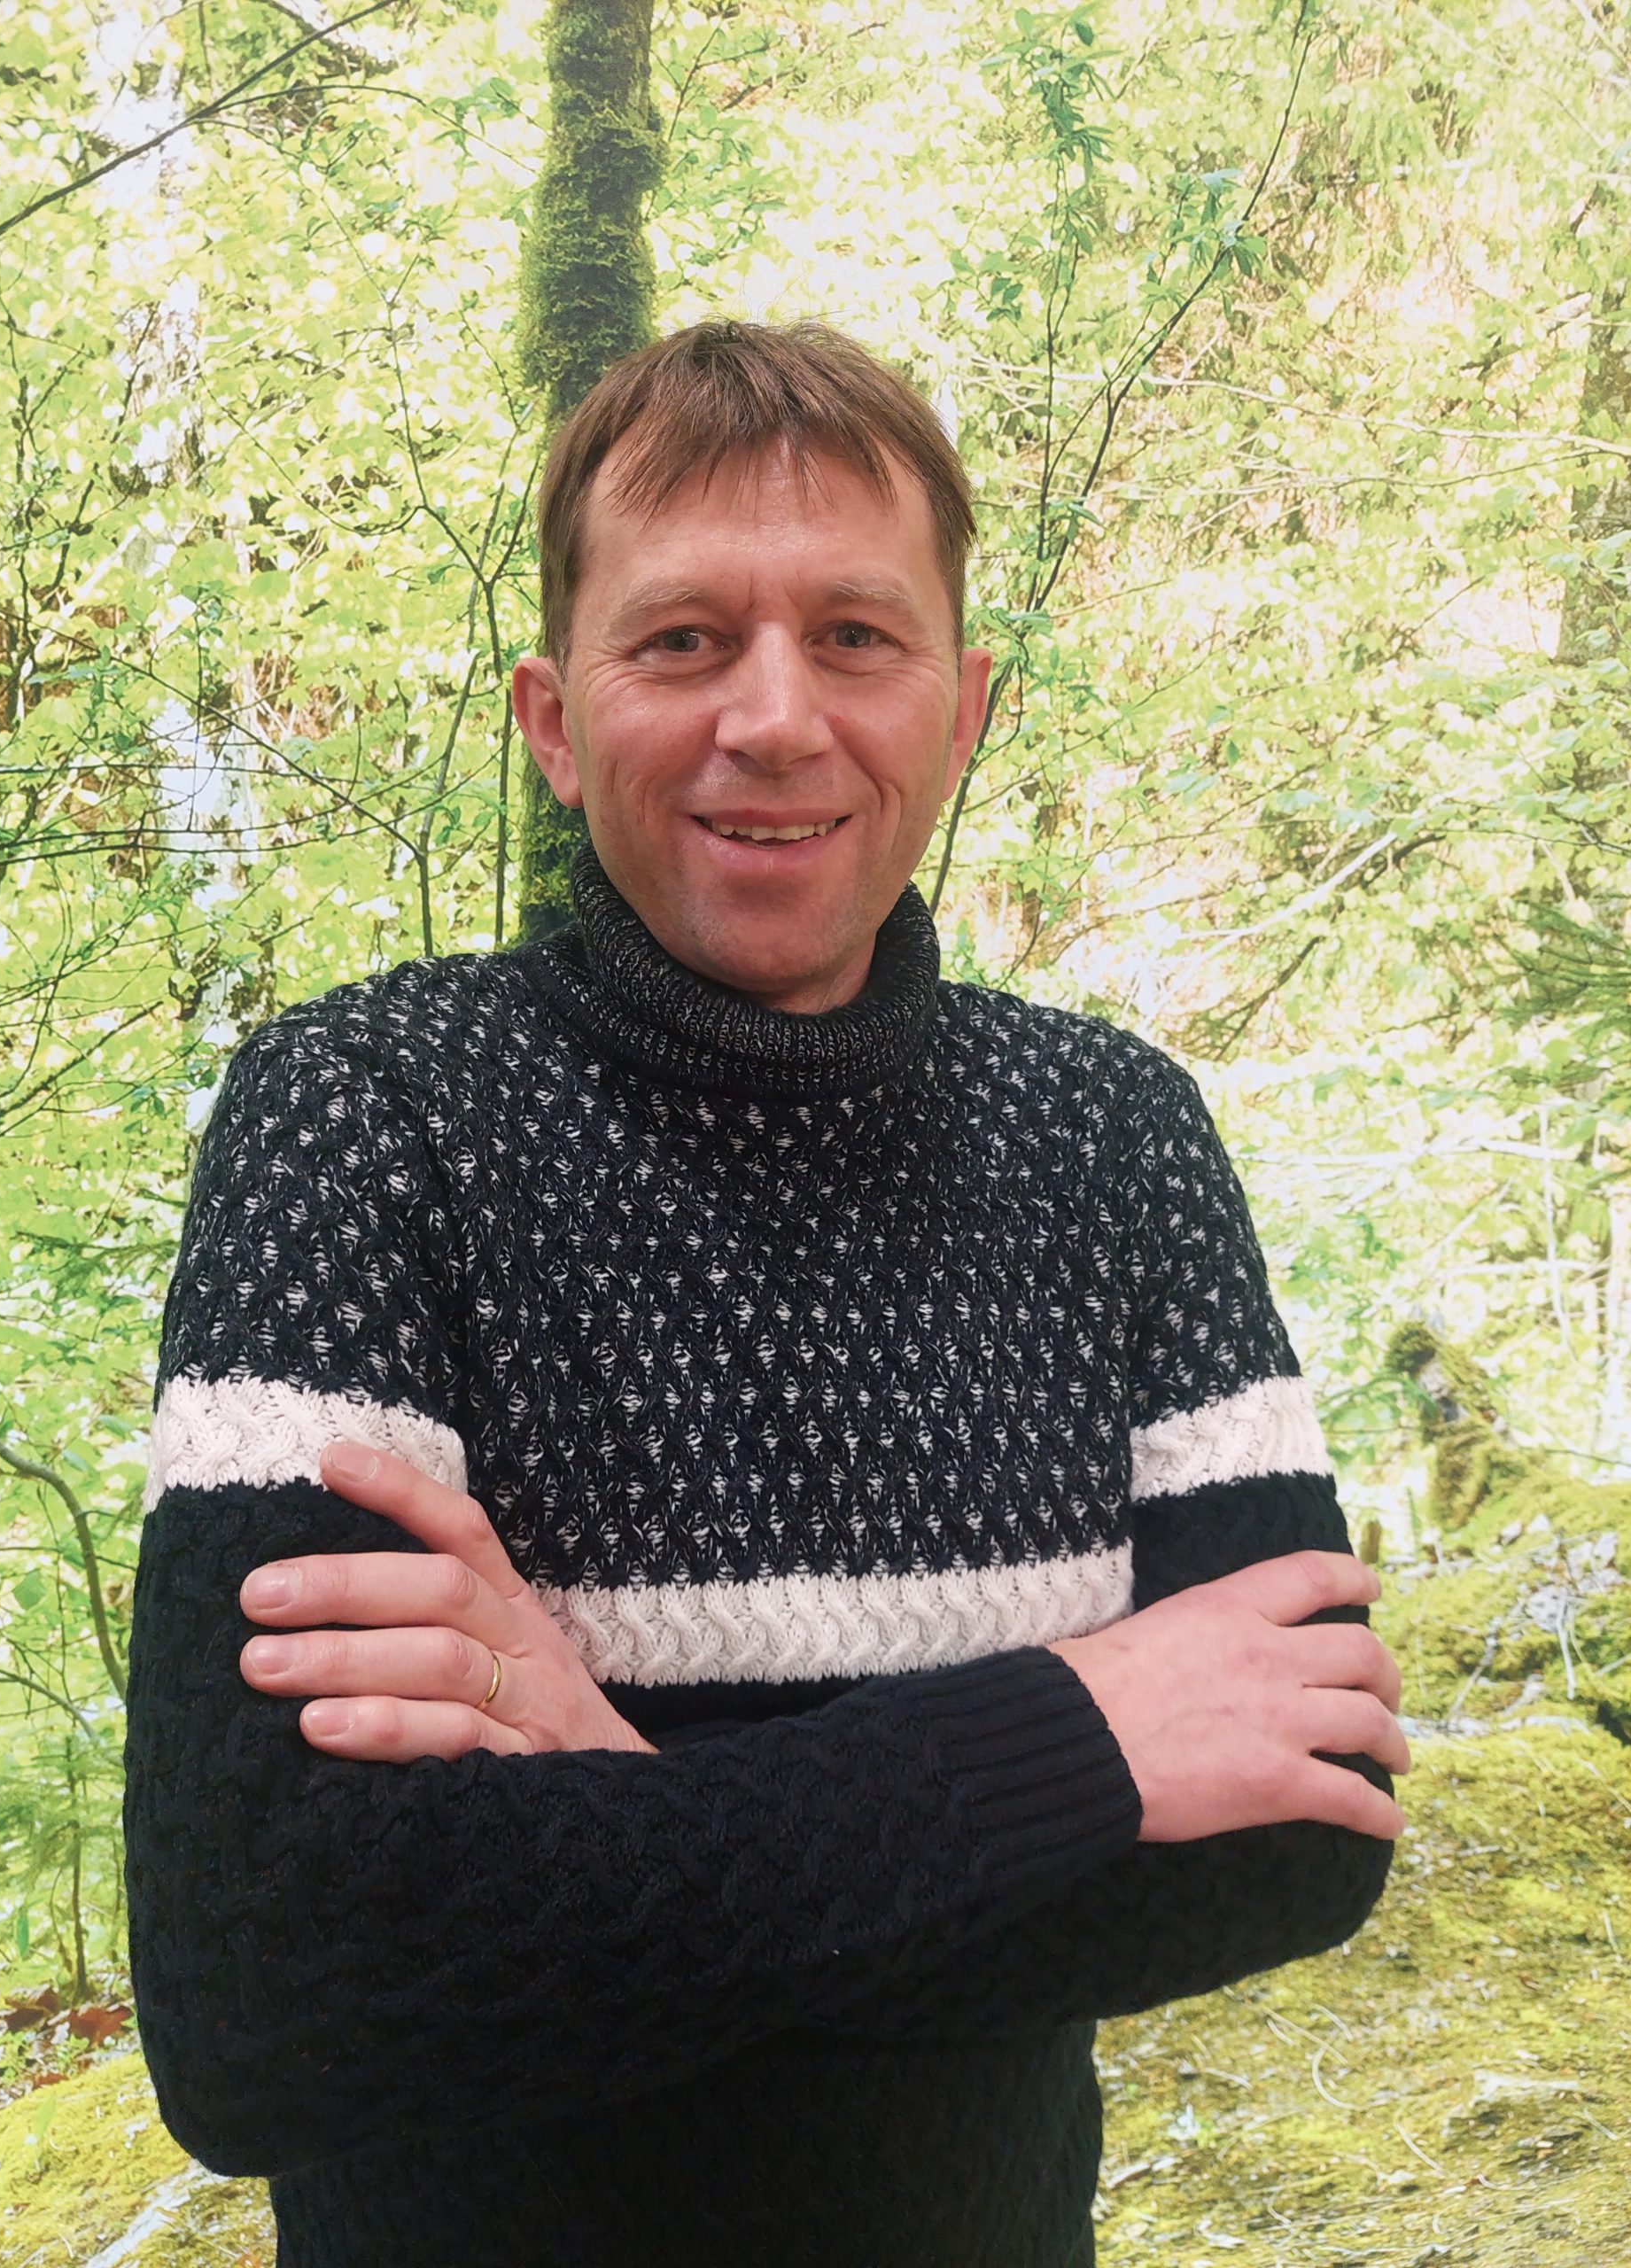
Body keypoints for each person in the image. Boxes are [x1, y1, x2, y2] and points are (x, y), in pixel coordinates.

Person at [123, 318, 1410, 2268]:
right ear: (557, 721)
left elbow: (1304, 1833)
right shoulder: (367, 1117)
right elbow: (271, 1998)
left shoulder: (1115, 1135)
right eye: (684, 639)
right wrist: (1078, 1738)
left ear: (962, 709)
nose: (779, 717)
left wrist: (623, 1809)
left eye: (858, 636)